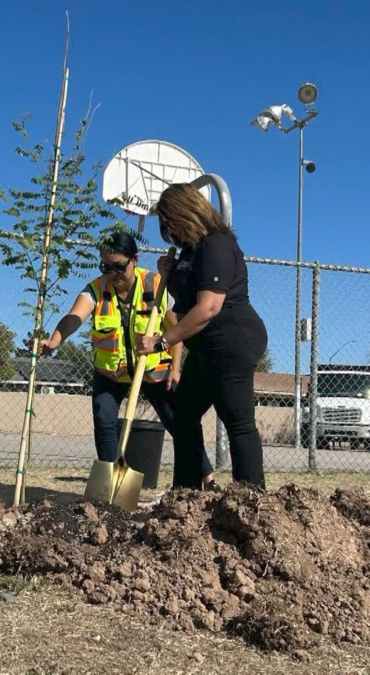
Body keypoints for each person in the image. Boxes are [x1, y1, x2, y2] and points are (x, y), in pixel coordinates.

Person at [39, 232, 219, 490]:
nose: (113, 273)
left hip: (153, 371)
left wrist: (176, 368)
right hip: (111, 374)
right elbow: (73, 317)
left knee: (180, 423)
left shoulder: (155, 285)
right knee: (104, 420)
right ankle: (111, 486)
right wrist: (55, 340)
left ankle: (207, 478)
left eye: (119, 266)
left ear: (134, 260)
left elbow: (175, 330)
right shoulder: (96, 290)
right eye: (106, 266)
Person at [136, 183, 268, 490]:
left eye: (170, 222)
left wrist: (162, 341)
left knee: (237, 419)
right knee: (183, 413)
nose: (168, 231)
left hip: (232, 338)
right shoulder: (189, 251)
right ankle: (186, 493)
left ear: (187, 212)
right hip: (206, 345)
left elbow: (208, 307)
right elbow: (186, 302)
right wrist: (168, 272)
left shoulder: (217, 244)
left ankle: (251, 501)